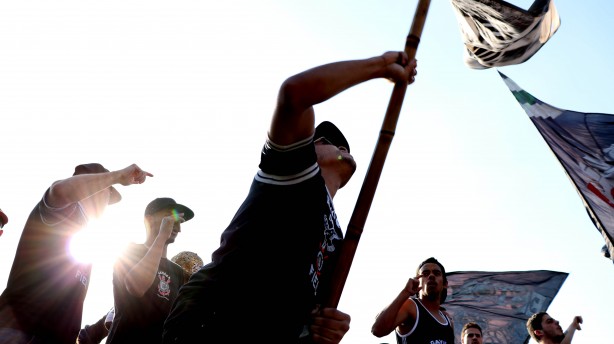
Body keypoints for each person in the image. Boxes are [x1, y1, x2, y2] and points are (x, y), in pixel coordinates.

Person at [162, 51, 418, 344]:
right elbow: (294, 94)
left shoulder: (338, 238)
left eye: (344, 145)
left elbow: (312, 317)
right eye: (325, 140)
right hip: (213, 323)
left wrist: (327, 326)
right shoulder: (294, 175)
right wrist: (381, 66)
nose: (339, 145)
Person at [0, 163, 152, 344]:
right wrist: (117, 176)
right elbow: (59, 191)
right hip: (22, 332)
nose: (107, 201)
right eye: (107, 192)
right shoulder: (64, 212)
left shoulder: (87, 237)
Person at [106, 198, 195, 344]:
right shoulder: (129, 251)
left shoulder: (178, 272)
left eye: (179, 222)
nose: (177, 228)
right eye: (170, 217)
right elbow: (136, 287)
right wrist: (161, 237)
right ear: (149, 219)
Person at [371, 257, 454, 344]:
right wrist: (405, 292)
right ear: (418, 281)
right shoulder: (411, 306)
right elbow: (377, 330)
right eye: (425, 273)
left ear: (445, 284)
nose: (431, 276)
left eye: (436, 273)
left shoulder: (448, 320)